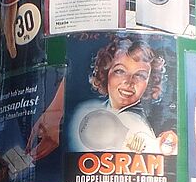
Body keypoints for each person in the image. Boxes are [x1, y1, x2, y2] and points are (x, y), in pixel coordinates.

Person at [26, 33, 174, 159]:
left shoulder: (136, 123)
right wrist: (54, 113)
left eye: (140, 75)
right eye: (120, 71)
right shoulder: (96, 107)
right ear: (105, 72)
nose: (129, 82)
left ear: (150, 82)